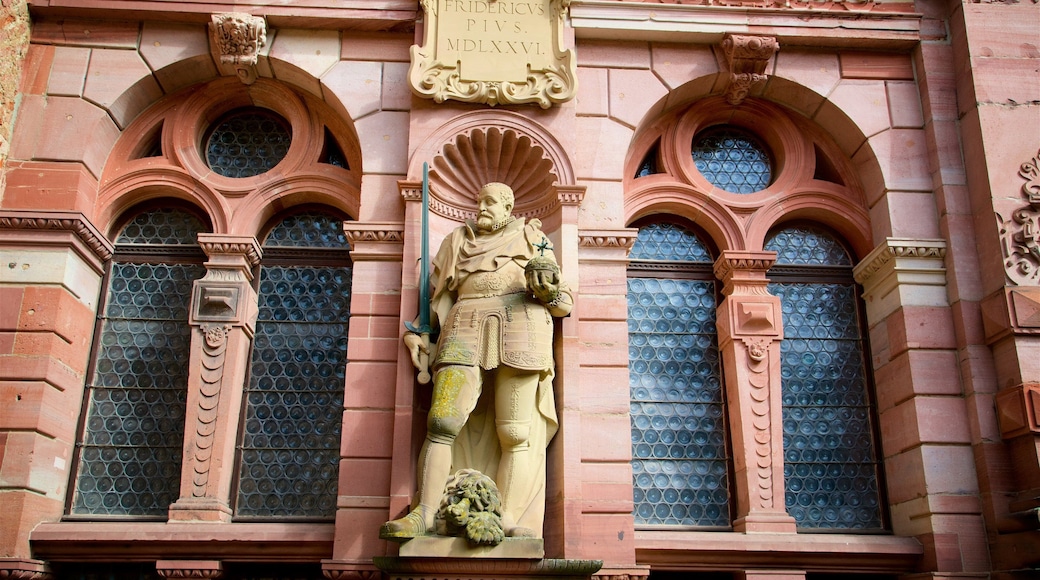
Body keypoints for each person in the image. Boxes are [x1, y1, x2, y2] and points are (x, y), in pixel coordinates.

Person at [380, 182, 572, 541]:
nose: (480, 207)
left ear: (507, 207)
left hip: (520, 327)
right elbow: (437, 298)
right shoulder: (456, 241)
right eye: (478, 201)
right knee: (441, 422)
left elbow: (563, 303)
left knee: (515, 432)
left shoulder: (532, 238)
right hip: (463, 326)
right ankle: (424, 513)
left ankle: (509, 518)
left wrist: (549, 292)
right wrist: (420, 331)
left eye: (489, 202)